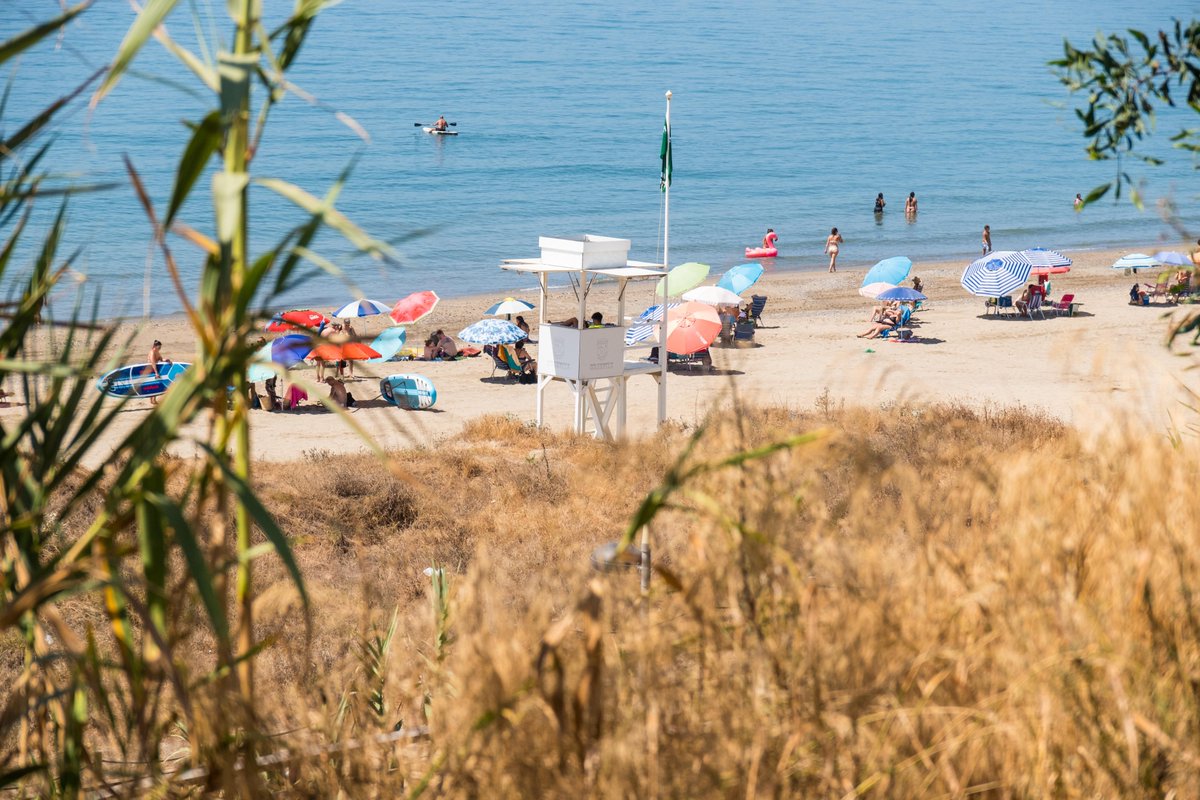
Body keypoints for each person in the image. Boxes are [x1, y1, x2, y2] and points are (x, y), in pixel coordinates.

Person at [148, 340, 171, 406]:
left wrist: (166, 360)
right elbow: (153, 363)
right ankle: (152, 400)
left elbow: (160, 359)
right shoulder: (152, 352)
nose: (160, 348)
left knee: (156, 384)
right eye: (159, 347)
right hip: (151, 370)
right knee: (153, 385)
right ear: (155, 346)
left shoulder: (157, 352)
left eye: (160, 347)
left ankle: (153, 400)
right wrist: (156, 372)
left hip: (155, 369)